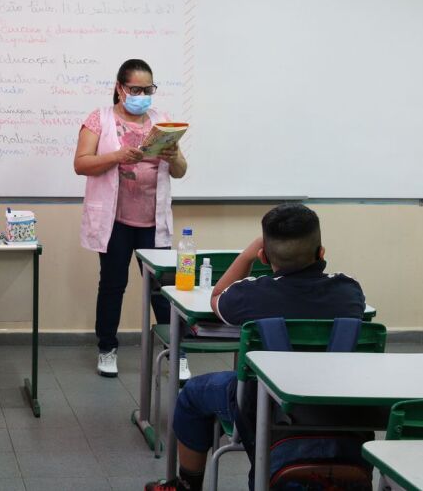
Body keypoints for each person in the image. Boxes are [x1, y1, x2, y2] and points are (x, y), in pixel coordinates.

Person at [144, 203, 366, 491]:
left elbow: (217, 296)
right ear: (321, 253)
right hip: (338, 406)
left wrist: (248, 255)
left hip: (264, 407)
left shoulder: (251, 295)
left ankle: (186, 485)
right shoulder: (350, 292)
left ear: (264, 256)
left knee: (193, 394)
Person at [74, 58, 188, 378]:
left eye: (147, 89)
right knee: (113, 285)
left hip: (153, 222)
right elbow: (81, 164)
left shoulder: (162, 121)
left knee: (163, 290)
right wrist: (116, 157)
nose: (142, 95)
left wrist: (174, 156)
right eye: (135, 89)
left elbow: (180, 172)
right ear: (119, 89)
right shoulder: (100, 119)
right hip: (115, 222)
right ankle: (107, 349)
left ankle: (176, 352)